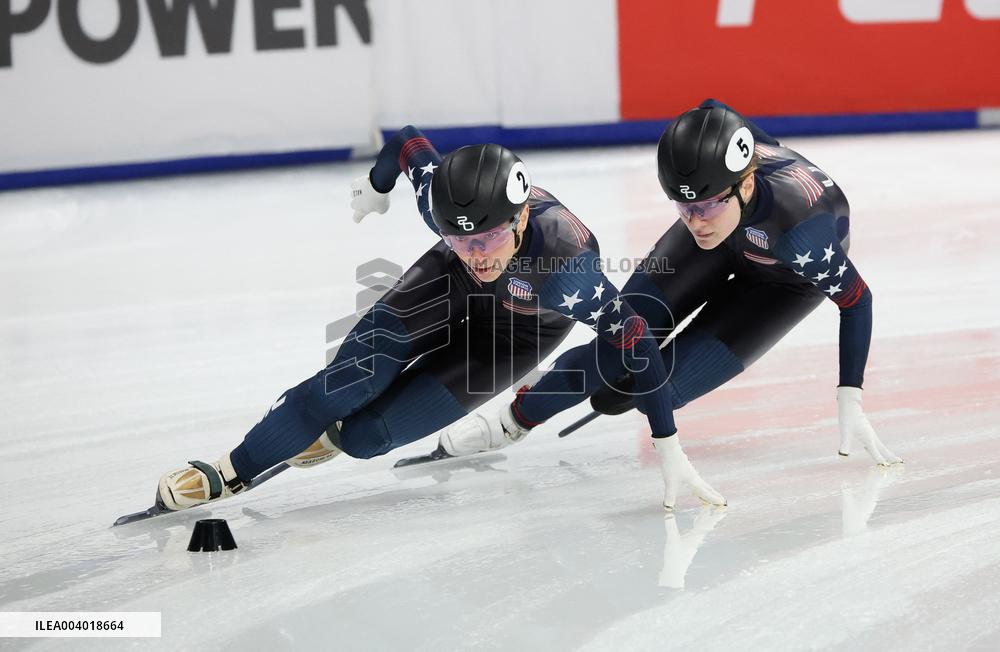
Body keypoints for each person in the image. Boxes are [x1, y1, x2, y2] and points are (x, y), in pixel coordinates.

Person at [154, 125, 723, 512]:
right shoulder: (444, 206)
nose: (477, 253)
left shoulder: (565, 267)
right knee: (348, 383)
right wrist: (377, 187)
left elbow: (636, 343)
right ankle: (230, 468)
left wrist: (667, 444)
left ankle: (331, 431)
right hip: (446, 285)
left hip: (520, 331)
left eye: (490, 237)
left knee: (365, 438)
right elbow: (405, 143)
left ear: (521, 219)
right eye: (459, 237)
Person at [438, 100, 902, 502]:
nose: (695, 220)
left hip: (783, 286)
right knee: (616, 348)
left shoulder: (803, 227)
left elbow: (857, 301)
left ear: (745, 185)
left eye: (706, 205)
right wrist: (708, 207)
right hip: (723, 243)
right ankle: (512, 420)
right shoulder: (713, 193)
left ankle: (619, 389)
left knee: (649, 393)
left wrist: (850, 397)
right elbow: (713, 109)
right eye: (683, 207)